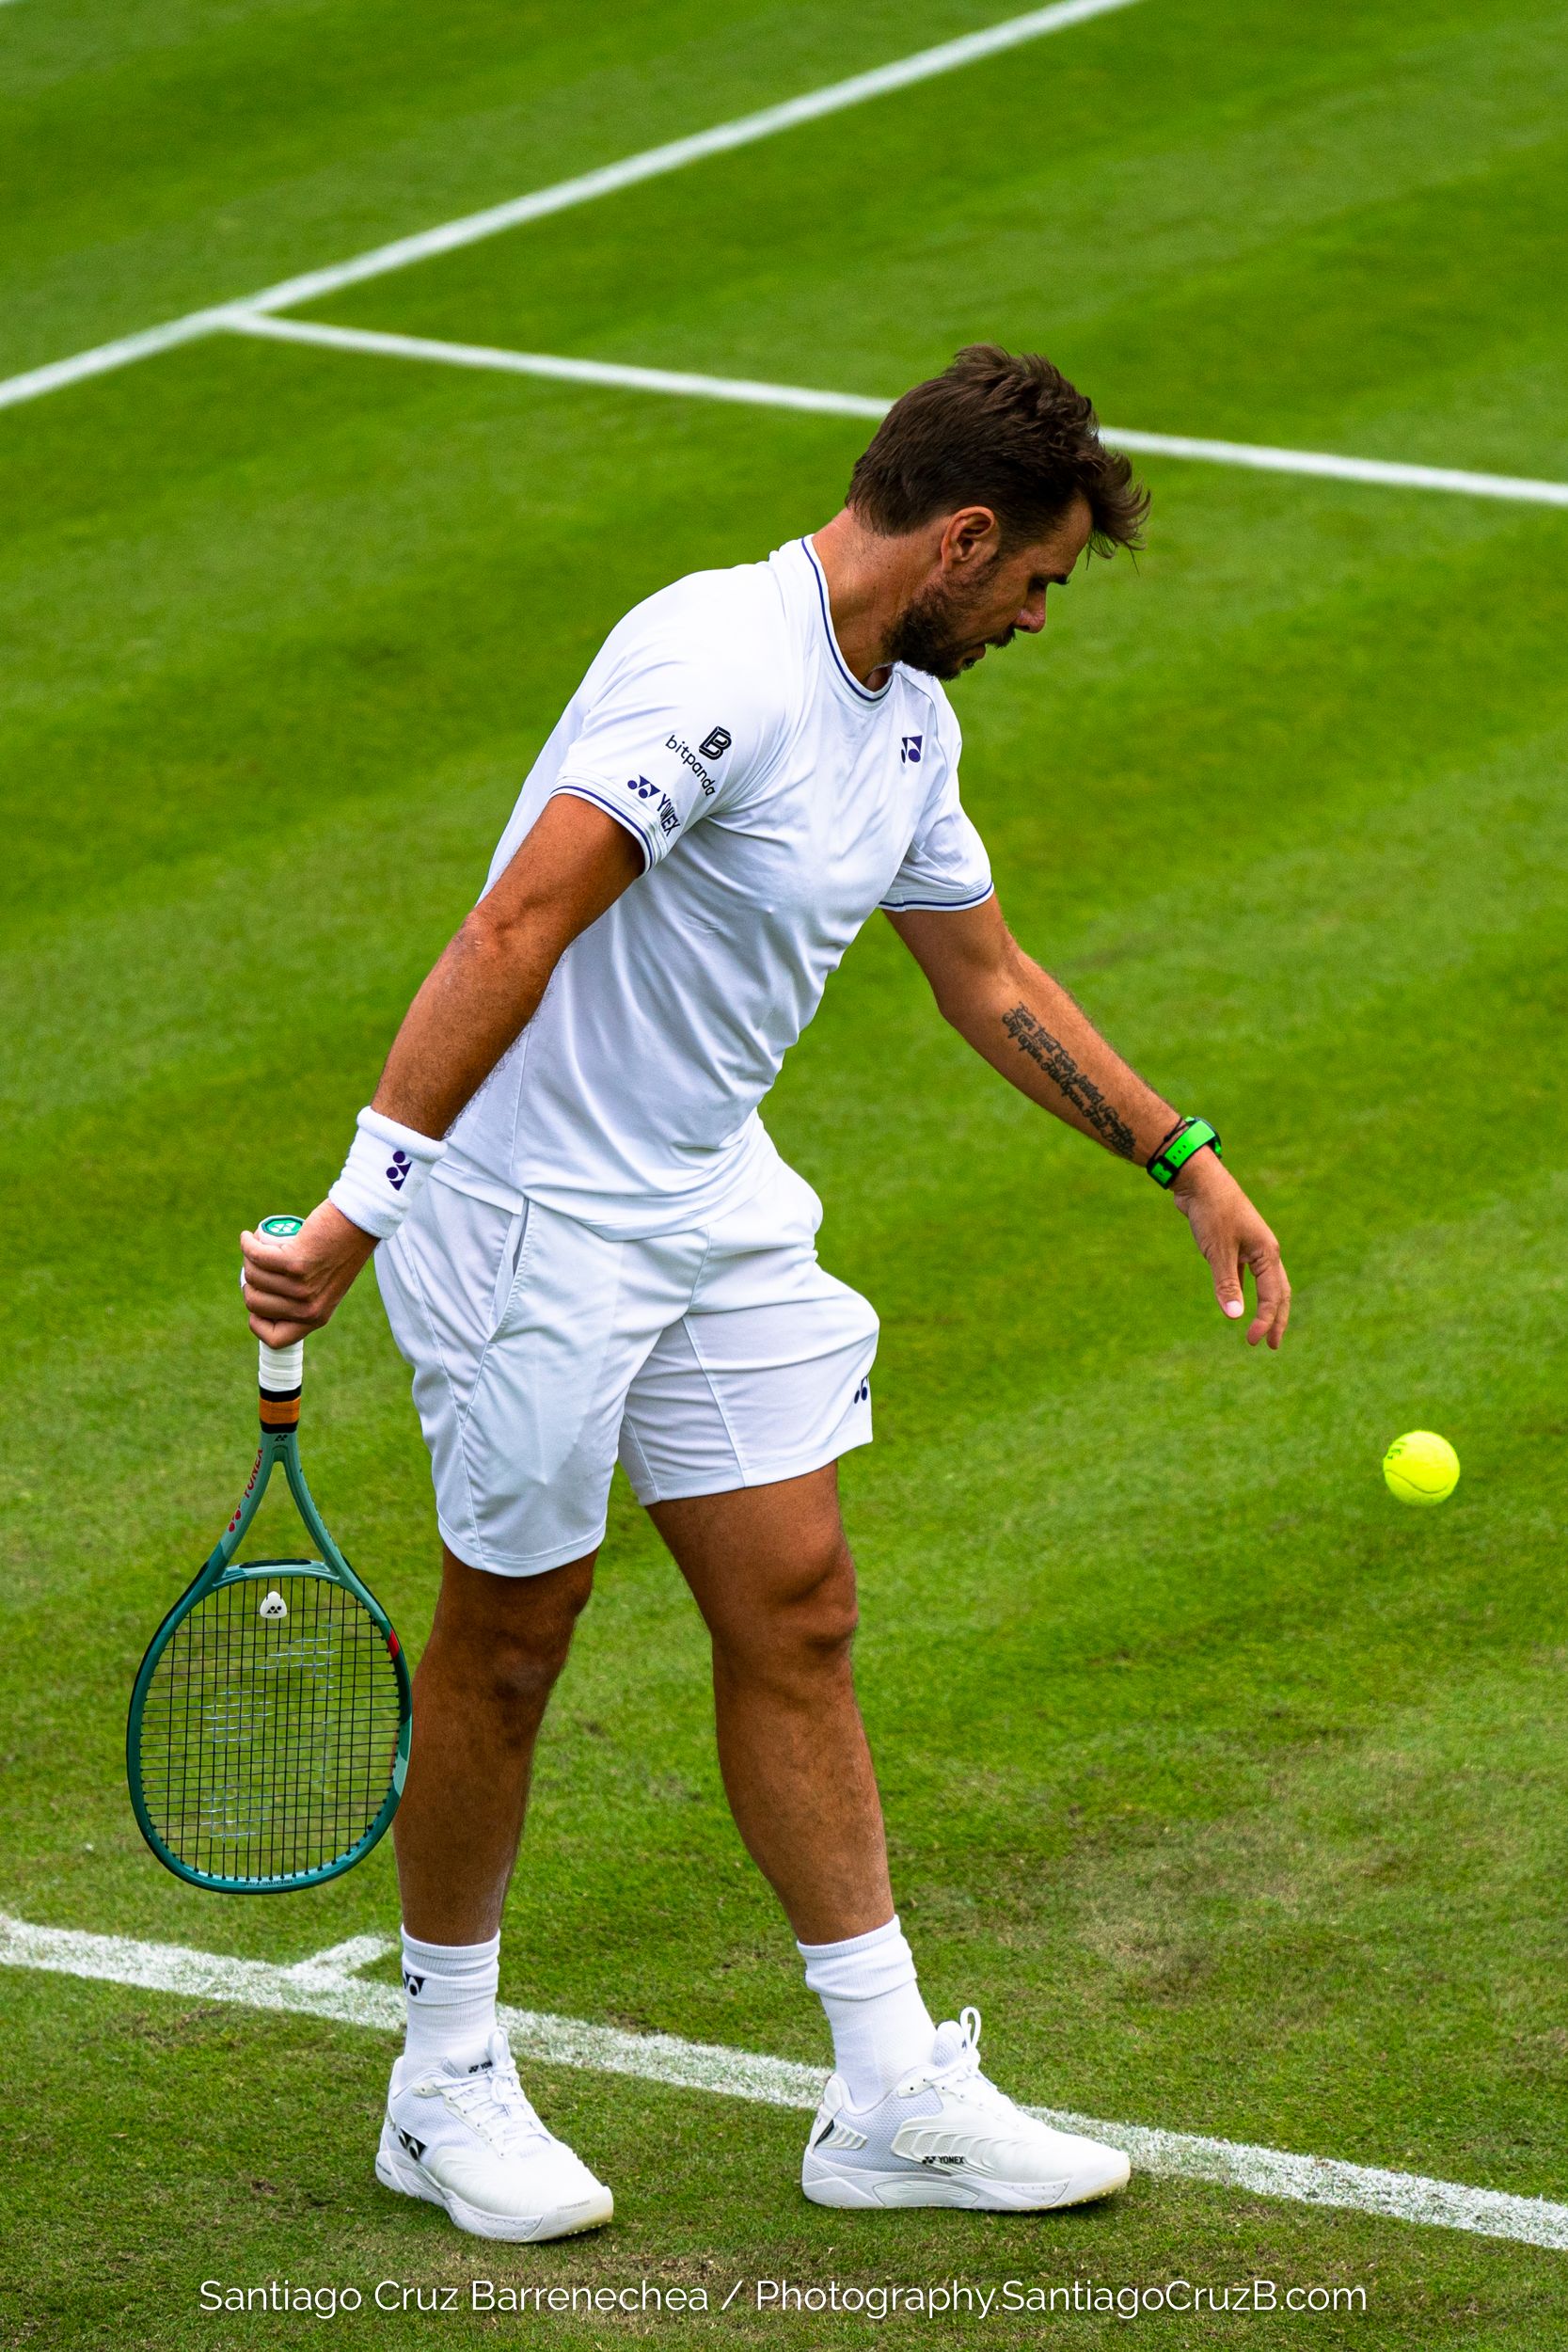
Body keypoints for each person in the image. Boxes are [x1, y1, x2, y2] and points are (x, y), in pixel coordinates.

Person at [241, 344, 1290, 2244]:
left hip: (706, 1198)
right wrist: (358, 1210)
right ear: (961, 537)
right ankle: (441, 2079)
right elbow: (518, 920)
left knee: (798, 1602)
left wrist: (1180, 1156)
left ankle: (887, 2096)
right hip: (529, 1212)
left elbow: (985, 976)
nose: (1038, 616)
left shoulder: (907, 721)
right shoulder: (717, 668)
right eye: (1037, 578)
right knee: (515, 1633)